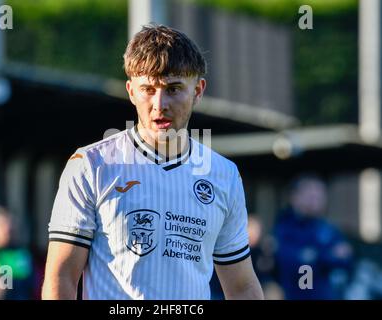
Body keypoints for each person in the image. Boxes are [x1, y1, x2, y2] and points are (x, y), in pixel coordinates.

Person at [42, 24, 263, 300]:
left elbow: (242, 287)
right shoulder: (90, 165)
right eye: (148, 88)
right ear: (131, 91)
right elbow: (60, 277)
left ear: (198, 90)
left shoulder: (224, 175)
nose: (159, 104)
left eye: (173, 88)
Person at [273, 174, 354, 300]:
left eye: (319, 196)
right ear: (295, 197)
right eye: (310, 196)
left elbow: (346, 261)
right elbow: (295, 264)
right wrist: (328, 255)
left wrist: (315, 256)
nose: (315, 200)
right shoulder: (285, 227)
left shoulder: (329, 229)